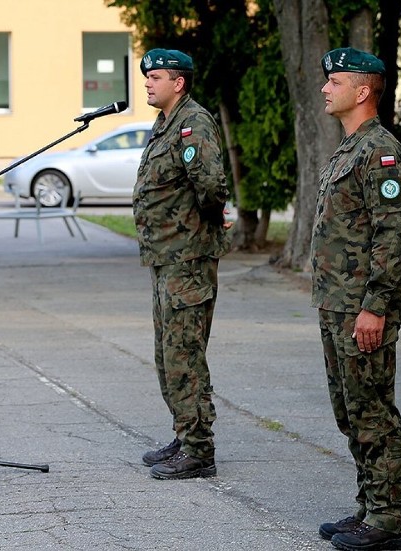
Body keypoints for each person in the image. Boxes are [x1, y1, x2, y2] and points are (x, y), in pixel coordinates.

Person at [311, 47, 401, 551]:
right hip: (337, 304)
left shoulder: (381, 153)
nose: (327, 89)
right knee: (349, 411)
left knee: (372, 410)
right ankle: (370, 506)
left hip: (362, 308)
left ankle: (390, 522)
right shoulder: (349, 148)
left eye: (337, 81)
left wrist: (374, 306)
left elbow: (391, 237)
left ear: (363, 90)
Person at [133, 48, 230, 480]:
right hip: (165, 258)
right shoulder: (165, 124)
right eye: (147, 76)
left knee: (185, 353)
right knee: (167, 353)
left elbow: (211, 186)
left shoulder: (193, 123)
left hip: (187, 259)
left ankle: (199, 449)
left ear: (180, 82)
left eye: (157, 76)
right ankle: (183, 433)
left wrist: (202, 228)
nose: (149, 82)